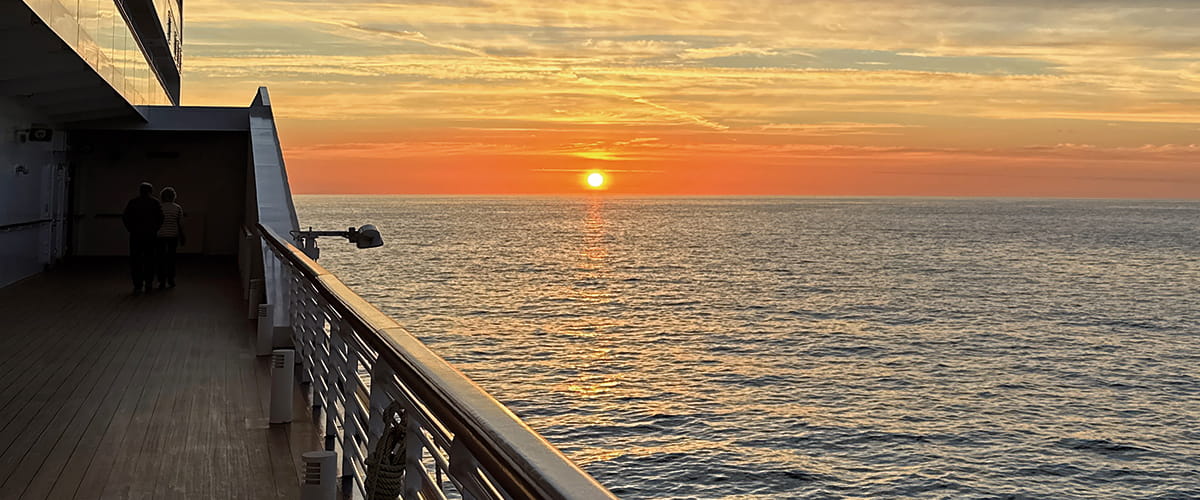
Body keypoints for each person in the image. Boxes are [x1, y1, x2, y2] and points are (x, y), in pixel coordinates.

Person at [122, 182, 163, 294]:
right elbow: (160, 218)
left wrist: (131, 229)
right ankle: (149, 282)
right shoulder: (155, 202)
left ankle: (138, 284)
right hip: (150, 235)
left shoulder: (133, 202)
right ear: (151, 191)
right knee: (150, 259)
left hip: (136, 235)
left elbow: (125, 217)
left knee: (136, 260)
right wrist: (155, 229)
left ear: (140, 191)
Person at [156, 187, 185, 289]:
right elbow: (180, 224)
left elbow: (156, 223)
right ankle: (171, 279)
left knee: (160, 258)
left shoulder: (159, 207)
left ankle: (162, 280)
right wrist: (182, 237)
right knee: (171, 259)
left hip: (160, 236)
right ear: (173, 196)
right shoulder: (177, 208)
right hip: (173, 236)